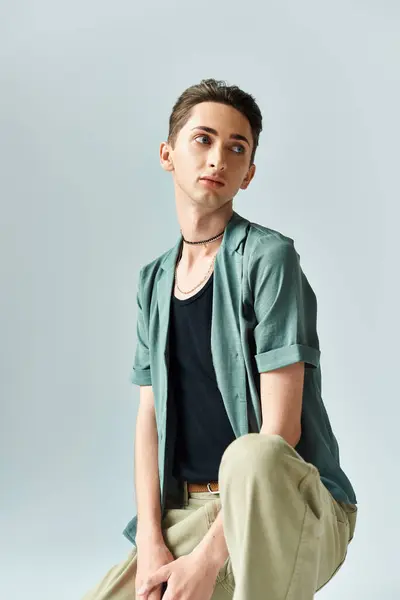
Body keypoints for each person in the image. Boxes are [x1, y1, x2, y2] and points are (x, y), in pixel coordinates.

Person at [82, 78, 358, 600]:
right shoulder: (153, 281)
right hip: (192, 510)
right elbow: (149, 419)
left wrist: (206, 562)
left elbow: (280, 433)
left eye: (237, 148)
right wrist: (151, 542)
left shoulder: (269, 259)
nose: (218, 159)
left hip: (287, 504)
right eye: (202, 140)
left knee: (250, 455)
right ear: (168, 154)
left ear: (248, 174)